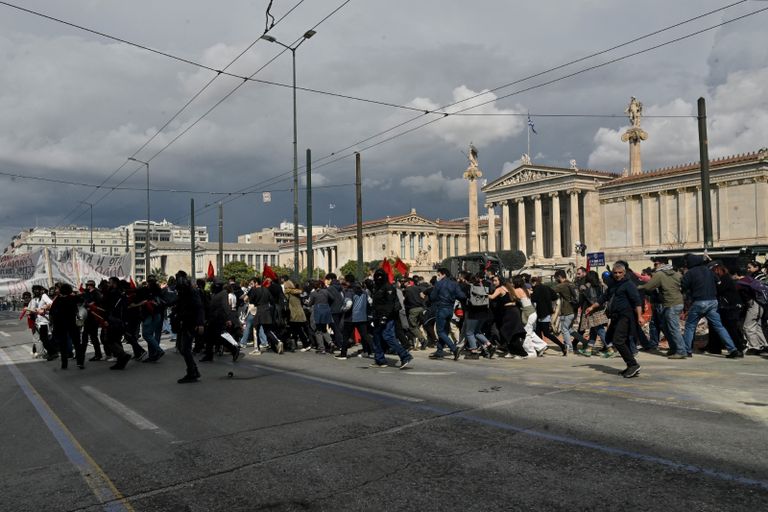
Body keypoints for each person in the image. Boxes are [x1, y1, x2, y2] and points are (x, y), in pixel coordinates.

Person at [585, 262, 644, 378]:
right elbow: (603, 298)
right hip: (616, 316)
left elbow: (637, 301)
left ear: (624, 273)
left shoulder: (628, 284)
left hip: (626, 316)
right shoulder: (613, 285)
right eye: (615, 273)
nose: (617, 275)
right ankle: (630, 365)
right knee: (620, 341)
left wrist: (640, 316)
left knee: (618, 340)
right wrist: (592, 307)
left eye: (620, 273)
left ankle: (633, 365)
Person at [680, 254, 742, 359]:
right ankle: (733, 350)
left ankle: (687, 350)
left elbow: (683, 287)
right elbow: (718, 282)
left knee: (690, 326)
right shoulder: (709, 271)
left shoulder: (690, 273)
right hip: (713, 302)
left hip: (699, 301)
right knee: (719, 327)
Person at [638, 257, 685, 359]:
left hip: (670, 304)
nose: (654, 266)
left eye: (656, 264)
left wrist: (638, 287)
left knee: (673, 328)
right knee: (667, 327)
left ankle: (681, 351)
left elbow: (649, 287)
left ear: (662, 264)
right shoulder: (675, 273)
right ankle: (674, 348)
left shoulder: (659, 274)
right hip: (677, 302)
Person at [369, 268, 413, 369]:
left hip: (387, 317)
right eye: (377, 276)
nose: (378, 278)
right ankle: (380, 360)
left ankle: (405, 356)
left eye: (380, 276)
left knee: (388, 336)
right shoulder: (377, 287)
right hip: (377, 316)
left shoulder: (388, 287)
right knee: (376, 338)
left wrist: (385, 316)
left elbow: (390, 304)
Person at [428, 267, 465, 360]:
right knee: (445, 331)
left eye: (439, 275)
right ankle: (439, 351)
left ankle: (454, 349)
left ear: (443, 274)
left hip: (441, 309)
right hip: (450, 309)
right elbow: (461, 296)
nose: (438, 277)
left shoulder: (439, 284)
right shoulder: (455, 284)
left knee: (440, 332)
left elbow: (432, 297)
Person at [175, 271, 205, 383]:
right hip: (185, 322)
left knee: (185, 349)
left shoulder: (191, 291)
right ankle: (193, 370)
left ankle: (192, 372)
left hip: (191, 323)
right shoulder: (183, 292)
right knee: (184, 349)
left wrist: (200, 323)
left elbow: (199, 307)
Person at [530, 276, 567, 356]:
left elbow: (534, 299)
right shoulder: (546, 287)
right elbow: (554, 296)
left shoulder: (536, 289)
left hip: (540, 313)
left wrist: (531, 293)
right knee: (539, 332)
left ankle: (562, 346)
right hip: (546, 312)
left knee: (545, 333)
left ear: (534, 282)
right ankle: (540, 349)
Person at [553, 270, 578, 353]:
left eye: (556, 278)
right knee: (569, 329)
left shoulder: (561, 286)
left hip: (567, 310)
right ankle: (585, 342)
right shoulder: (571, 284)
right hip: (574, 309)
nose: (556, 280)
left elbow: (551, 291)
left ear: (560, 277)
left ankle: (569, 348)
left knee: (564, 330)